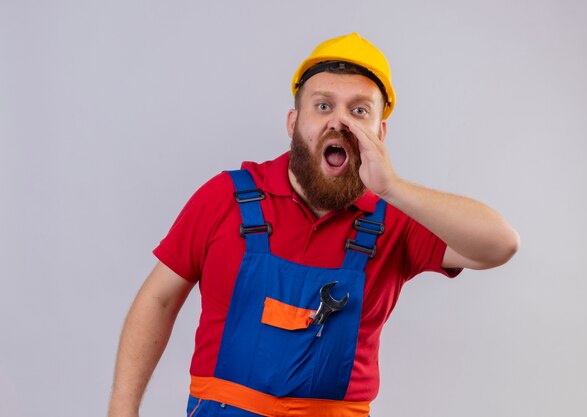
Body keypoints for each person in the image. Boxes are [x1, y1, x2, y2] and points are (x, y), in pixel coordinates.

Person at [108, 32, 519, 417]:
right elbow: (158, 300)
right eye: (323, 106)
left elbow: (499, 244)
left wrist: (392, 187)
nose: (340, 122)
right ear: (293, 122)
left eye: (359, 111)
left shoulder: (396, 222)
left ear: (380, 132)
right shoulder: (225, 199)